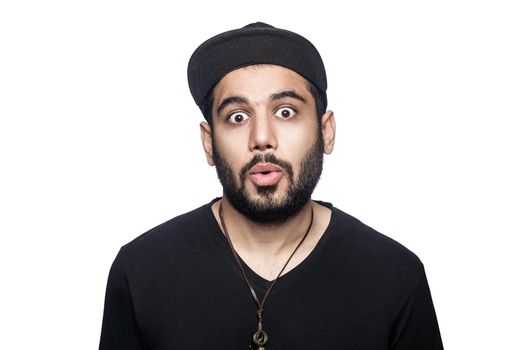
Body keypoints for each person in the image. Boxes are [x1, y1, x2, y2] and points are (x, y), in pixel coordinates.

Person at [99, 22, 443, 350]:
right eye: (238, 116)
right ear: (209, 142)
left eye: (286, 112)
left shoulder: (395, 277)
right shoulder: (141, 271)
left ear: (326, 131)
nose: (262, 138)